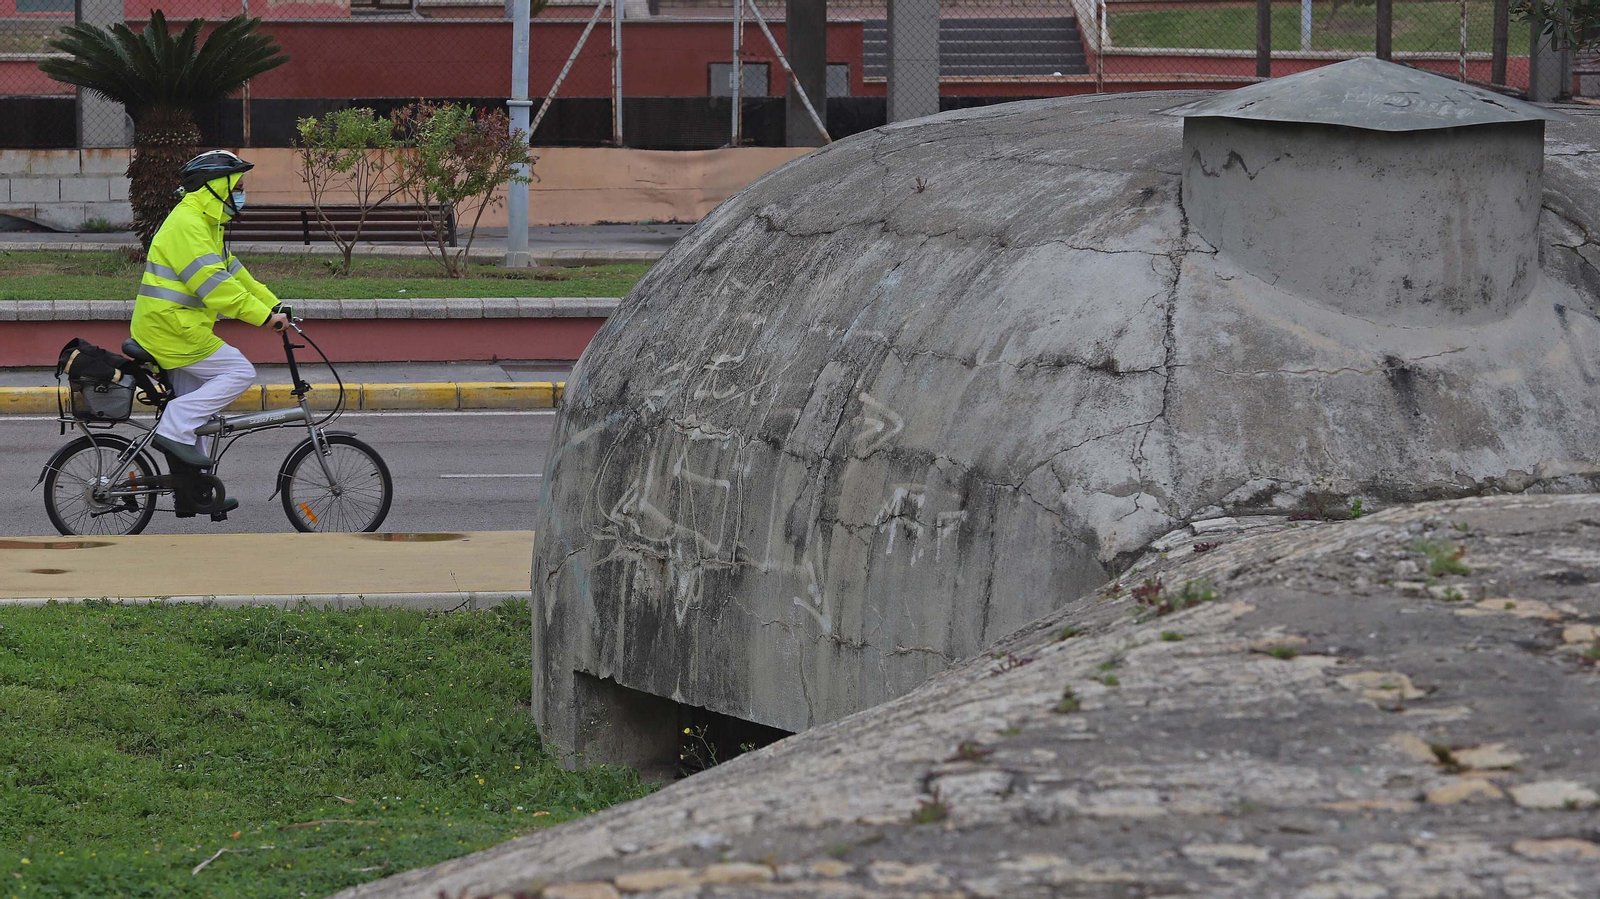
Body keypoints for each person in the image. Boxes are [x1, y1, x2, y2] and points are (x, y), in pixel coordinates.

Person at [131, 150, 289, 483]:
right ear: (215, 187)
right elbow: (216, 287)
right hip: (172, 330)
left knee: (199, 416)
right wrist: (263, 318)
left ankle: (194, 488)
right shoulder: (187, 225)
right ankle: (173, 425)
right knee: (239, 372)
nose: (241, 195)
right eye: (237, 187)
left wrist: (273, 305)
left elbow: (235, 274)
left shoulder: (205, 223)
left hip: (179, 328)